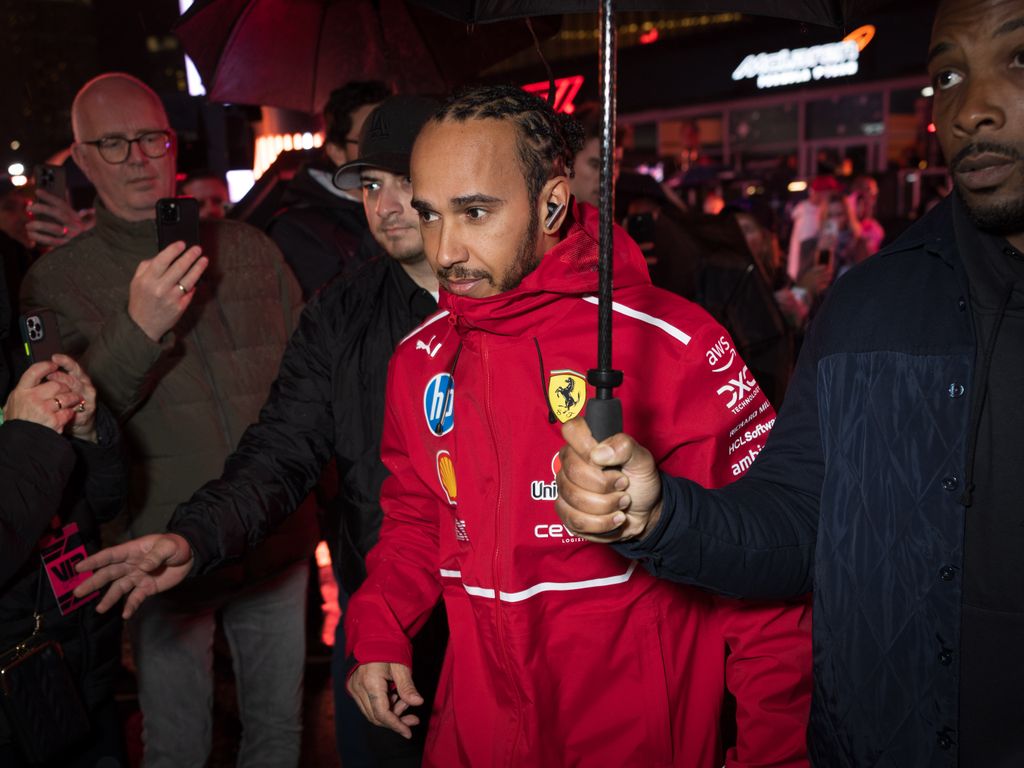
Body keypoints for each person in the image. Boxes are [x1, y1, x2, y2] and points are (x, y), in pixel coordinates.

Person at [75, 85, 812, 767]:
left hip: (633, 736)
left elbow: (768, 582)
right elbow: (419, 516)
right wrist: (380, 628)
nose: (444, 249)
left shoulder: (669, 341)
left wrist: (773, 753)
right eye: (430, 213)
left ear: (553, 203)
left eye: (475, 212)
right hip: (476, 730)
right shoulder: (418, 358)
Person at [554, 0, 1024, 764]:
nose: (971, 108)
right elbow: (797, 527)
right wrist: (662, 514)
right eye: (946, 74)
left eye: (1019, 58)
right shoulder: (869, 307)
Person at [69, 94, 445, 768]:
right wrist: (193, 535)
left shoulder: (524, 299)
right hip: (383, 590)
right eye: (370, 184)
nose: (385, 206)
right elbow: (281, 448)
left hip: (518, 606)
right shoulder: (342, 315)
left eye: (406, 183)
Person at [20, 73, 314, 768]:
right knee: (177, 744)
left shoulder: (246, 249)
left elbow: (310, 390)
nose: (137, 158)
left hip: (274, 539)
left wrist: (318, 502)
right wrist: (140, 327)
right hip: (156, 550)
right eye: (112, 145)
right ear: (83, 160)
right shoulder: (55, 282)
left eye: (149, 138)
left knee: (278, 735)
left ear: (172, 144)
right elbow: (64, 429)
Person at [0, 355, 126, 767]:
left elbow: (104, 504)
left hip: (85, 664)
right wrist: (27, 440)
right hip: (15, 694)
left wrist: (88, 434)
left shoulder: (15, 348)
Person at [267, 80, 391, 298]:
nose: (387, 148)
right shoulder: (296, 229)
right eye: (370, 138)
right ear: (337, 152)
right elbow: (335, 315)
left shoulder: (421, 200)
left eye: (394, 134)